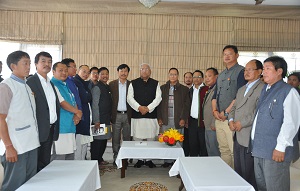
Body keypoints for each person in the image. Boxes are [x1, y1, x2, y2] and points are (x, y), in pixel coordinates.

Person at [251, 56, 300, 191]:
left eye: (268, 69)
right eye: (263, 69)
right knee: (262, 186)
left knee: (276, 186)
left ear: (279, 71)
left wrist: (281, 147)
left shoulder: (288, 91)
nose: (263, 72)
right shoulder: (265, 89)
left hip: (275, 150)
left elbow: (291, 122)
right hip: (260, 148)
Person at [0, 51, 40, 190]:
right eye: (25, 63)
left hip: (31, 143)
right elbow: (0, 119)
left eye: (29, 63)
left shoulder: (26, 85)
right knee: (14, 184)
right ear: (13, 66)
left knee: (30, 183)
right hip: (17, 146)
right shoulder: (6, 86)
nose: (29, 66)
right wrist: (9, 147)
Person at [228, 59, 264, 189]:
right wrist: (231, 121)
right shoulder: (241, 89)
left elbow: (257, 111)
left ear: (260, 72)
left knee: (248, 170)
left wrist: (241, 123)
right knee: (238, 168)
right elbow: (233, 107)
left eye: (250, 69)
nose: (246, 72)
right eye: (245, 69)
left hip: (248, 134)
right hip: (237, 133)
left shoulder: (262, 88)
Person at [212, 45, 247, 167]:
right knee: (224, 150)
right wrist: (215, 110)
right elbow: (215, 95)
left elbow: (239, 96)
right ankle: (226, 176)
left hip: (231, 119)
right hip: (219, 118)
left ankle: (236, 179)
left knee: (233, 151)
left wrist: (226, 112)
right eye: (224, 54)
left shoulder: (241, 72)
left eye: (230, 54)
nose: (226, 56)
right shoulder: (221, 75)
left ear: (237, 55)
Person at [26, 52, 61, 171]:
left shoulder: (50, 83)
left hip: (50, 129)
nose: (47, 64)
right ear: (36, 64)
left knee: (45, 161)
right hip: (37, 130)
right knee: (34, 163)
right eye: (43, 61)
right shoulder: (30, 82)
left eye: (50, 62)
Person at [127, 63, 162, 168]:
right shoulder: (133, 83)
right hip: (137, 115)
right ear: (140, 71)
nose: (145, 71)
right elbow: (129, 98)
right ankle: (140, 160)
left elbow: (158, 98)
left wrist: (148, 108)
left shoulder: (156, 83)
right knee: (138, 139)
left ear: (150, 71)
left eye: (147, 69)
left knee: (151, 138)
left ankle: (149, 159)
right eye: (142, 69)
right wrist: (139, 107)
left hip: (151, 116)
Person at [157, 68, 190, 167]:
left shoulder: (184, 89)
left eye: (175, 74)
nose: (173, 76)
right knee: (166, 140)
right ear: (168, 75)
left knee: (178, 141)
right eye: (171, 74)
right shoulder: (162, 88)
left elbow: (187, 105)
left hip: (178, 120)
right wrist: (159, 118)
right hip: (166, 119)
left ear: (178, 76)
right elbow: (158, 104)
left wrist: (183, 118)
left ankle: (177, 162)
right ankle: (167, 161)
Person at [51, 62, 80, 160]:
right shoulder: (53, 84)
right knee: (60, 158)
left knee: (70, 155)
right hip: (61, 127)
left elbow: (73, 100)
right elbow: (62, 103)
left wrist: (77, 114)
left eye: (66, 71)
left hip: (70, 125)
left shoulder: (65, 84)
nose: (64, 73)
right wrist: (77, 112)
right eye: (61, 71)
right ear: (53, 72)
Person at [109, 64, 132, 164]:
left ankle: (125, 157)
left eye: (125, 71)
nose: (123, 73)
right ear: (118, 72)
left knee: (127, 138)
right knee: (116, 138)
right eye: (121, 71)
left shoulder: (131, 84)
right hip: (116, 115)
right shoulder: (112, 84)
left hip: (128, 115)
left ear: (128, 73)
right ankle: (116, 157)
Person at [91, 67, 112, 166]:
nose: (105, 76)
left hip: (106, 119)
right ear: (98, 76)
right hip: (99, 120)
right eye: (102, 74)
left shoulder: (107, 87)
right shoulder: (97, 87)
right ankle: (95, 160)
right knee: (97, 142)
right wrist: (96, 120)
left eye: (106, 74)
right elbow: (95, 105)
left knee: (104, 140)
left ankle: (100, 158)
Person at [73, 65, 93, 160]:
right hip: (79, 117)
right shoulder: (75, 82)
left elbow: (88, 97)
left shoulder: (84, 83)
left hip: (85, 116)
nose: (86, 74)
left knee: (84, 142)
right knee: (79, 144)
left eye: (88, 72)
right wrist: (87, 96)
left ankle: (82, 162)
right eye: (84, 71)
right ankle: (78, 164)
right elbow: (85, 98)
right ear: (78, 71)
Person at [188, 70, 208, 156]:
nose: (196, 79)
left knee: (203, 144)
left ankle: (203, 165)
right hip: (192, 121)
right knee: (193, 144)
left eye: (199, 77)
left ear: (203, 79)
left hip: (203, 121)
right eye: (194, 77)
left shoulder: (206, 90)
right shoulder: (190, 90)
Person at [202, 67, 220, 156]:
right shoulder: (209, 89)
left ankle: (216, 169)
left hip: (213, 125)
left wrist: (214, 122)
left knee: (214, 151)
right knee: (209, 150)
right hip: (207, 125)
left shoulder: (218, 89)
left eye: (209, 76)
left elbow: (218, 107)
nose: (207, 78)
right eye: (205, 76)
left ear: (216, 77)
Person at [183, 71, 193, 156]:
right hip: (184, 118)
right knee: (185, 139)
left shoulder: (196, 89)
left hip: (193, 118)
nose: (188, 79)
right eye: (186, 77)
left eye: (190, 77)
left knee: (192, 139)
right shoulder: (182, 90)